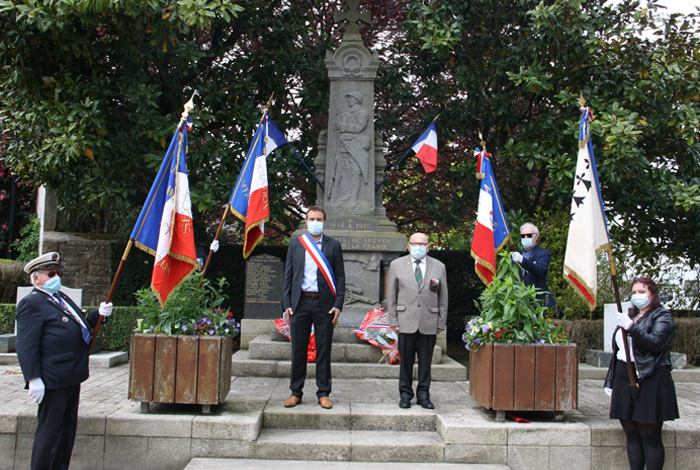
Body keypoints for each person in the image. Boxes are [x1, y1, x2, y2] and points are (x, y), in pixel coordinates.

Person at [15, 252, 113, 470]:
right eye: (51, 274)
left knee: (66, 433)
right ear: (36, 278)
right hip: (52, 378)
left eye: (58, 273)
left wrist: (99, 314)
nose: (56, 278)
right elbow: (26, 345)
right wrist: (33, 378)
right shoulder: (32, 303)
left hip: (71, 375)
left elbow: (82, 322)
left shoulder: (61, 298)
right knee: (50, 434)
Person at [605, 277, 679, 470]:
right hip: (624, 376)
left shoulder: (662, 317)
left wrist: (630, 327)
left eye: (642, 292)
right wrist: (611, 380)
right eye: (634, 292)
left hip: (650, 378)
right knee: (631, 433)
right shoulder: (635, 316)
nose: (637, 296)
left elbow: (654, 343)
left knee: (649, 435)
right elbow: (620, 350)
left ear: (653, 294)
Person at [282, 206, 345, 409]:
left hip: (324, 305)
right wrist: (287, 304)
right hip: (300, 304)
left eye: (319, 219)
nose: (315, 222)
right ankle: (296, 392)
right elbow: (288, 276)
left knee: (323, 350)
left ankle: (323, 392)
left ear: (324, 222)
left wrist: (338, 305)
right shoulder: (296, 244)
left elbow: (341, 278)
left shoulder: (333, 245)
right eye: (311, 219)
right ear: (306, 221)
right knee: (298, 350)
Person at [387, 232, 448, 409]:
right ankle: (405, 394)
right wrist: (393, 320)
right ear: (409, 246)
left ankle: (423, 395)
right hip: (405, 320)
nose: (418, 247)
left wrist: (440, 321)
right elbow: (391, 295)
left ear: (428, 247)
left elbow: (443, 296)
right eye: (414, 243)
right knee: (405, 361)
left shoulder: (439, 267)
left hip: (429, 321)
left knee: (425, 361)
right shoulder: (396, 265)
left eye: (422, 244)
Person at [510, 222, 556, 307]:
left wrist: (522, 260)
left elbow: (540, 270)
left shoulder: (543, 253)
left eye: (529, 235)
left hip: (536, 301)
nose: (526, 238)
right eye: (523, 236)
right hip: (518, 300)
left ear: (536, 236)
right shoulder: (516, 254)